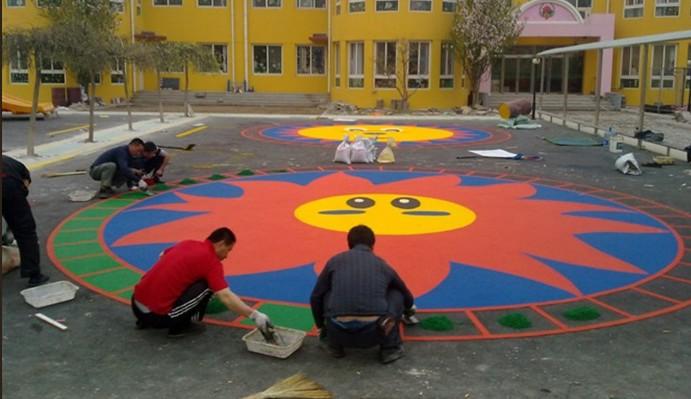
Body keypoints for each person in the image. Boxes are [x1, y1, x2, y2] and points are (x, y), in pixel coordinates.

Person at [131, 227, 271, 338]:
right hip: (157, 318)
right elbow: (225, 297)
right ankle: (179, 325)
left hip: (136, 304)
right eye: (228, 250)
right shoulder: (211, 261)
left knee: (186, 277)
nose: (227, 256)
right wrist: (254, 315)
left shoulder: (188, 243)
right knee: (207, 286)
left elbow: (162, 255)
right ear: (221, 244)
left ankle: (145, 318)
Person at [310, 225, 416, 364]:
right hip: (376, 333)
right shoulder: (382, 265)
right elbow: (406, 295)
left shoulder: (335, 261)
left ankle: (333, 345)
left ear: (349, 244)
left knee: (327, 292)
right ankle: (390, 348)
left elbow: (315, 297)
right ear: (373, 245)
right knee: (396, 293)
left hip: (338, 331)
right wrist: (408, 311)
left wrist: (321, 327)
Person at [1, 155, 49, 287]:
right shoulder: (12, 163)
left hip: (9, 188)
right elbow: (25, 183)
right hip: (10, 189)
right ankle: (34, 275)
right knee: (26, 232)